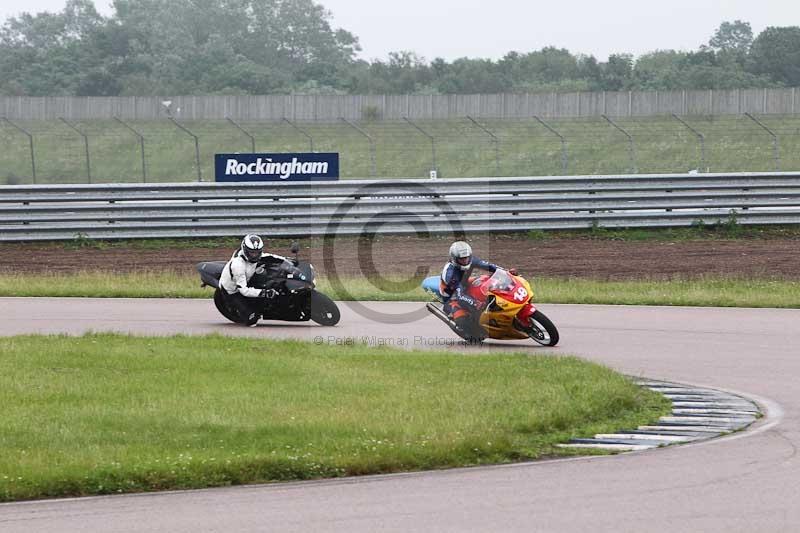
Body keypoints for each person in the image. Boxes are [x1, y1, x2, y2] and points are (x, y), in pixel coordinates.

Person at [438, 241, 516, 338]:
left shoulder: (471, 260)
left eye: (467, 257)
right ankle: (473, 331)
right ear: (454, 259)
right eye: (461, 259)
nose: (465, 261)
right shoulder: (450, 273)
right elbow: (460, 295)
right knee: (462, 319)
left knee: (488, 284)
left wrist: (507, 272)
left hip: (465, 285)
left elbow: (490, 266)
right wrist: (475, 303)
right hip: (452, 296)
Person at [218, 234, 283, 326]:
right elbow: (244, 291)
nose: (254, 255)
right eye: (252, 253)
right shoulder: (238, 266)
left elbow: (269, 256)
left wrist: (287, 261)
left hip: (248, 278)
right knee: (252, 320)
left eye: (257, 252)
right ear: (245, 250)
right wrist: (265, 293)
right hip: (233, 291)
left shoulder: (256, 257)